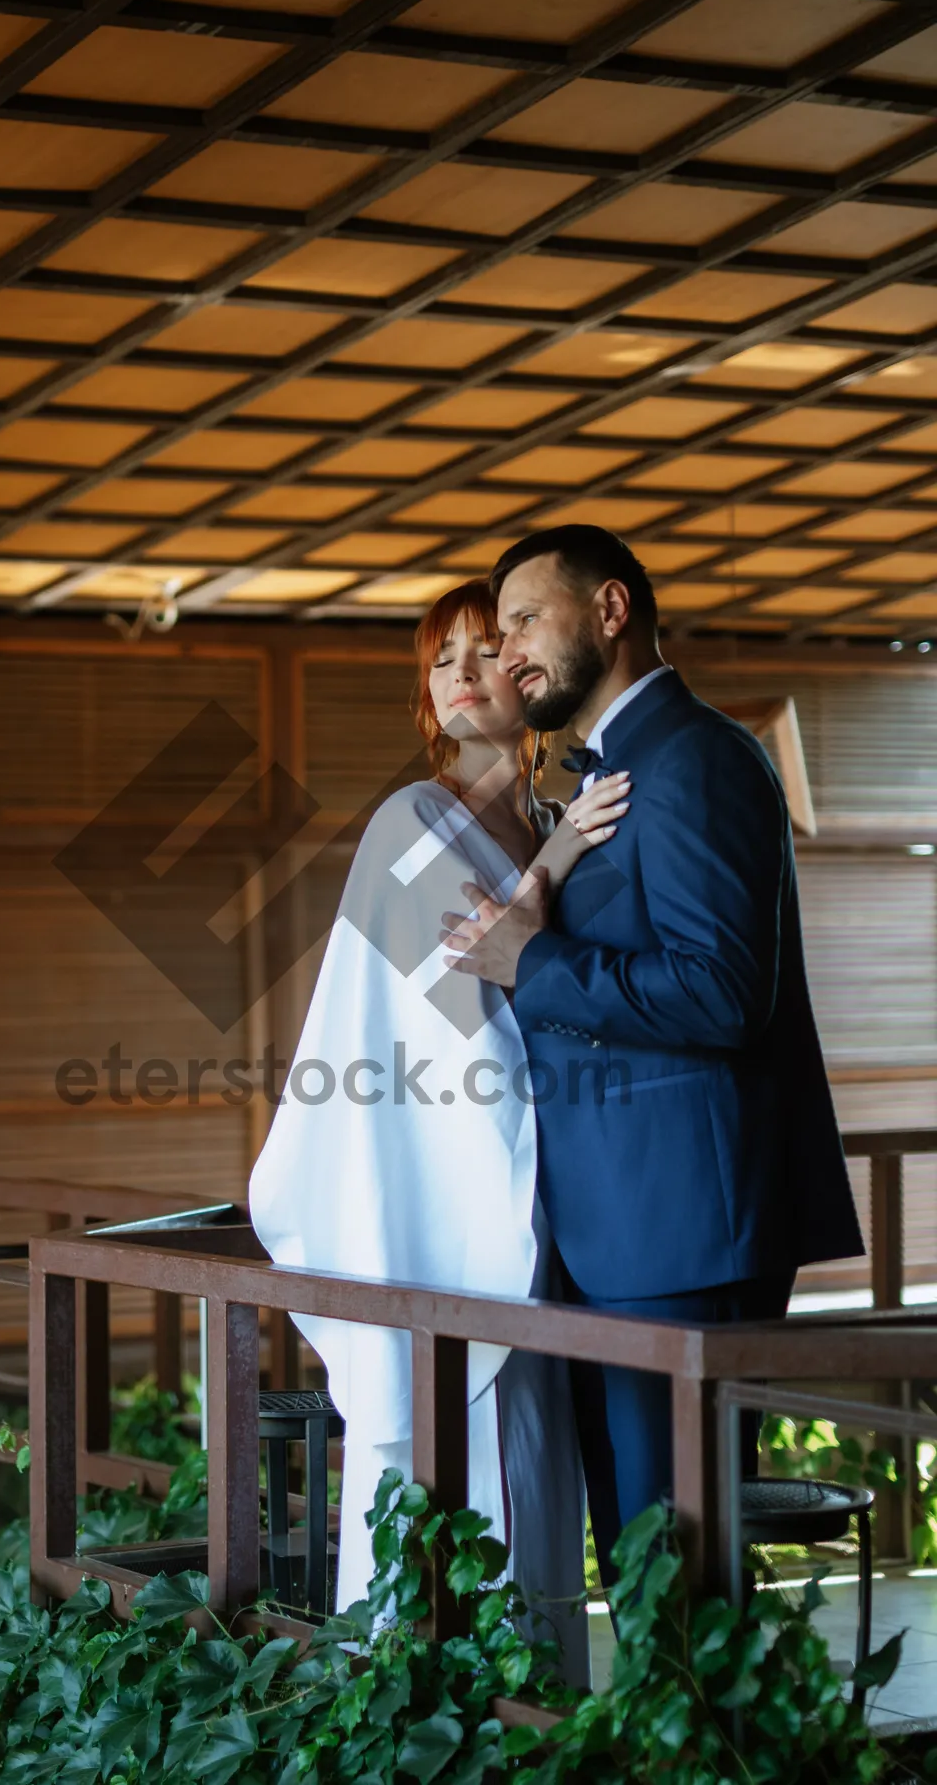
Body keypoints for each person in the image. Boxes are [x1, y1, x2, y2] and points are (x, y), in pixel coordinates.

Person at [441, 525, 864, 1585]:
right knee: (640, 1570)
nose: (511, 651)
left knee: (672, 1573)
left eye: (528, 620)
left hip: (686, 1233)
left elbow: (723, 994)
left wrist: (532, 963)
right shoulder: (616, 773)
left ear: (613, 610)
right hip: (616, 1229)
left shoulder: (697, 758)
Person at [248, 578, 628, 1677]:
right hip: (448, 1199)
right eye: (438, 658)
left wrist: (557, 852)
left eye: (483, 647)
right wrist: (558, 868)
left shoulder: (559, 816)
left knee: (537, 1481)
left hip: (546, 1200)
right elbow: (478, 998)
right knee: (461, 1483)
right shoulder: (411, 822)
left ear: (528, 675)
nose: (460, 671)